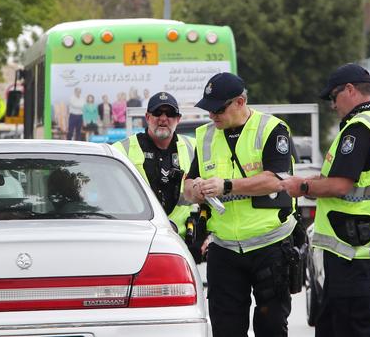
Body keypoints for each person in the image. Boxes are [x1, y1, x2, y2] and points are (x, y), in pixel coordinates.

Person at [281, 63, 370, 337]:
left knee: (358, 327)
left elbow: (339, 184)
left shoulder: (358, 129)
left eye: (334, 97)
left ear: (350, 90)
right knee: (334, 325)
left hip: (351, 249)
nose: (333, 105)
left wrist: (301, 185)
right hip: (366, 244)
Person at [183, 72, 297, 337]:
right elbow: (188, 186)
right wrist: (195, 190)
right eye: (208, 108)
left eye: (218, 109)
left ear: (240, 102)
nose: (212, 115)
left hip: (269, 244)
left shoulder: (272, 129)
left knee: (271, 326)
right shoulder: (206, 136)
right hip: (224, 248)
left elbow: (276, 180)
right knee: (226, 328)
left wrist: (227, 185)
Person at [113, 92, 196, 244]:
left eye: (170, 113)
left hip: (184, 241)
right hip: (138, 240)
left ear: (178, 119)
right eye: (157, 112)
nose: (163, 118)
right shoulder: (121, 150)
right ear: (147, 117)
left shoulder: (194, 147)